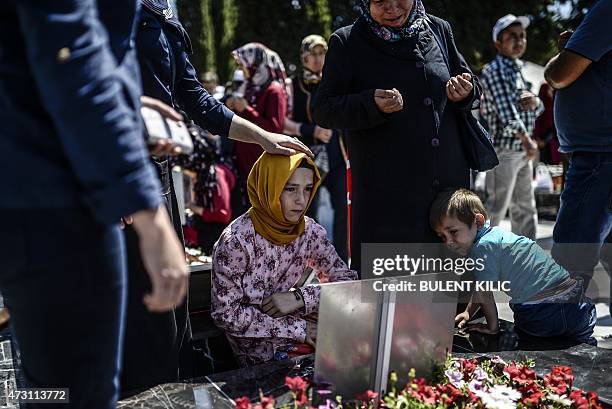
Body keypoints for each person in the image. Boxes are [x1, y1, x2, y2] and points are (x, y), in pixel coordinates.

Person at [0, 1, 189, 408]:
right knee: (81, 394)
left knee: (48, 391)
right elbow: (72, 55)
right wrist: (148, 212)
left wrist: (126, 107)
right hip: (60, 201)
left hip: (26, 193)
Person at [123, 0, 313, 394]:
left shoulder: (162, 8)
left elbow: (194, 97)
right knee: (141, 319)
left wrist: (262, 136)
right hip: (120, 178)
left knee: (171, 318)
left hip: (157, 175)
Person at [313, 0, 480, 272]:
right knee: (392, 299)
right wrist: (370, 104)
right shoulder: (347, 42)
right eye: (379, 1)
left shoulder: (438, 29)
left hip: (443, 190)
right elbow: (323, 109)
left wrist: (466, 91)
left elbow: (467, 80)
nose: (391, 7)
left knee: (448, 296)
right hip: (388, 198)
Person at [211, 153, 357, 366]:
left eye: (307, 189)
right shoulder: (237, 240)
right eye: (290, 189)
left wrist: (300, 298)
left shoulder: (309, 232)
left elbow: (350, 286)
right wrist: (298, 329)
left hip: (306, 333)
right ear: (268, 186)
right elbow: (226, 314)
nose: (301, 200)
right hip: (259, 352)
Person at [430, 189, 596, 346]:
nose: (448, 242)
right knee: (581, 336)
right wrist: (468, 312)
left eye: (453, 232)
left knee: (524, 334)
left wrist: (492, 327)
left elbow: (483, 291)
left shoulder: (481, 247)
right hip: (574, 304)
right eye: (443, 236)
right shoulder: (498, 236)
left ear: (478, 222)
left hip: (539, 314)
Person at [543, 0, 612, 316]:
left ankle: (556, 345)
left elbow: (560, 74)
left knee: (570, 265)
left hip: (599, 157)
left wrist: (561, 55)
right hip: (601, 154)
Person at [479, 14, 544, 240]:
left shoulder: (520, 70)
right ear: (499, 43)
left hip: (523, 150)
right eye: (512, 37)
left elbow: (538, 107)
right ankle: (478, 260)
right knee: (496, 207)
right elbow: (506, 111)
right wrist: (528, 141)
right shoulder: (494, 69)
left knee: (525, 209)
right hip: (504, 150)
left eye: (522, 36)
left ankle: (527, 261)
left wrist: (535, 102)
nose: (519, 40)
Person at [284, 34, 349, 262]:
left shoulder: (334, 81)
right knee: (307, 209)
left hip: (336, 154)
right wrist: (311, 131)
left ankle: (341, 259)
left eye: (322, 53)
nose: (318, 58)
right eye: (313, 54)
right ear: (303, 57)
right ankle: (308, 260)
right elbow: (283, 122)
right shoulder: (293, 84)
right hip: (307, 155)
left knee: (343, 207)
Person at [226, 43, 291, 193]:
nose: (241, 69)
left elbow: (275, 130)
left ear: (255, 64)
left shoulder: (274, 91)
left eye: (243, 64)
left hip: (261, 168)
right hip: (244, 166)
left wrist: (246, 109)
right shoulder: (249, 86)